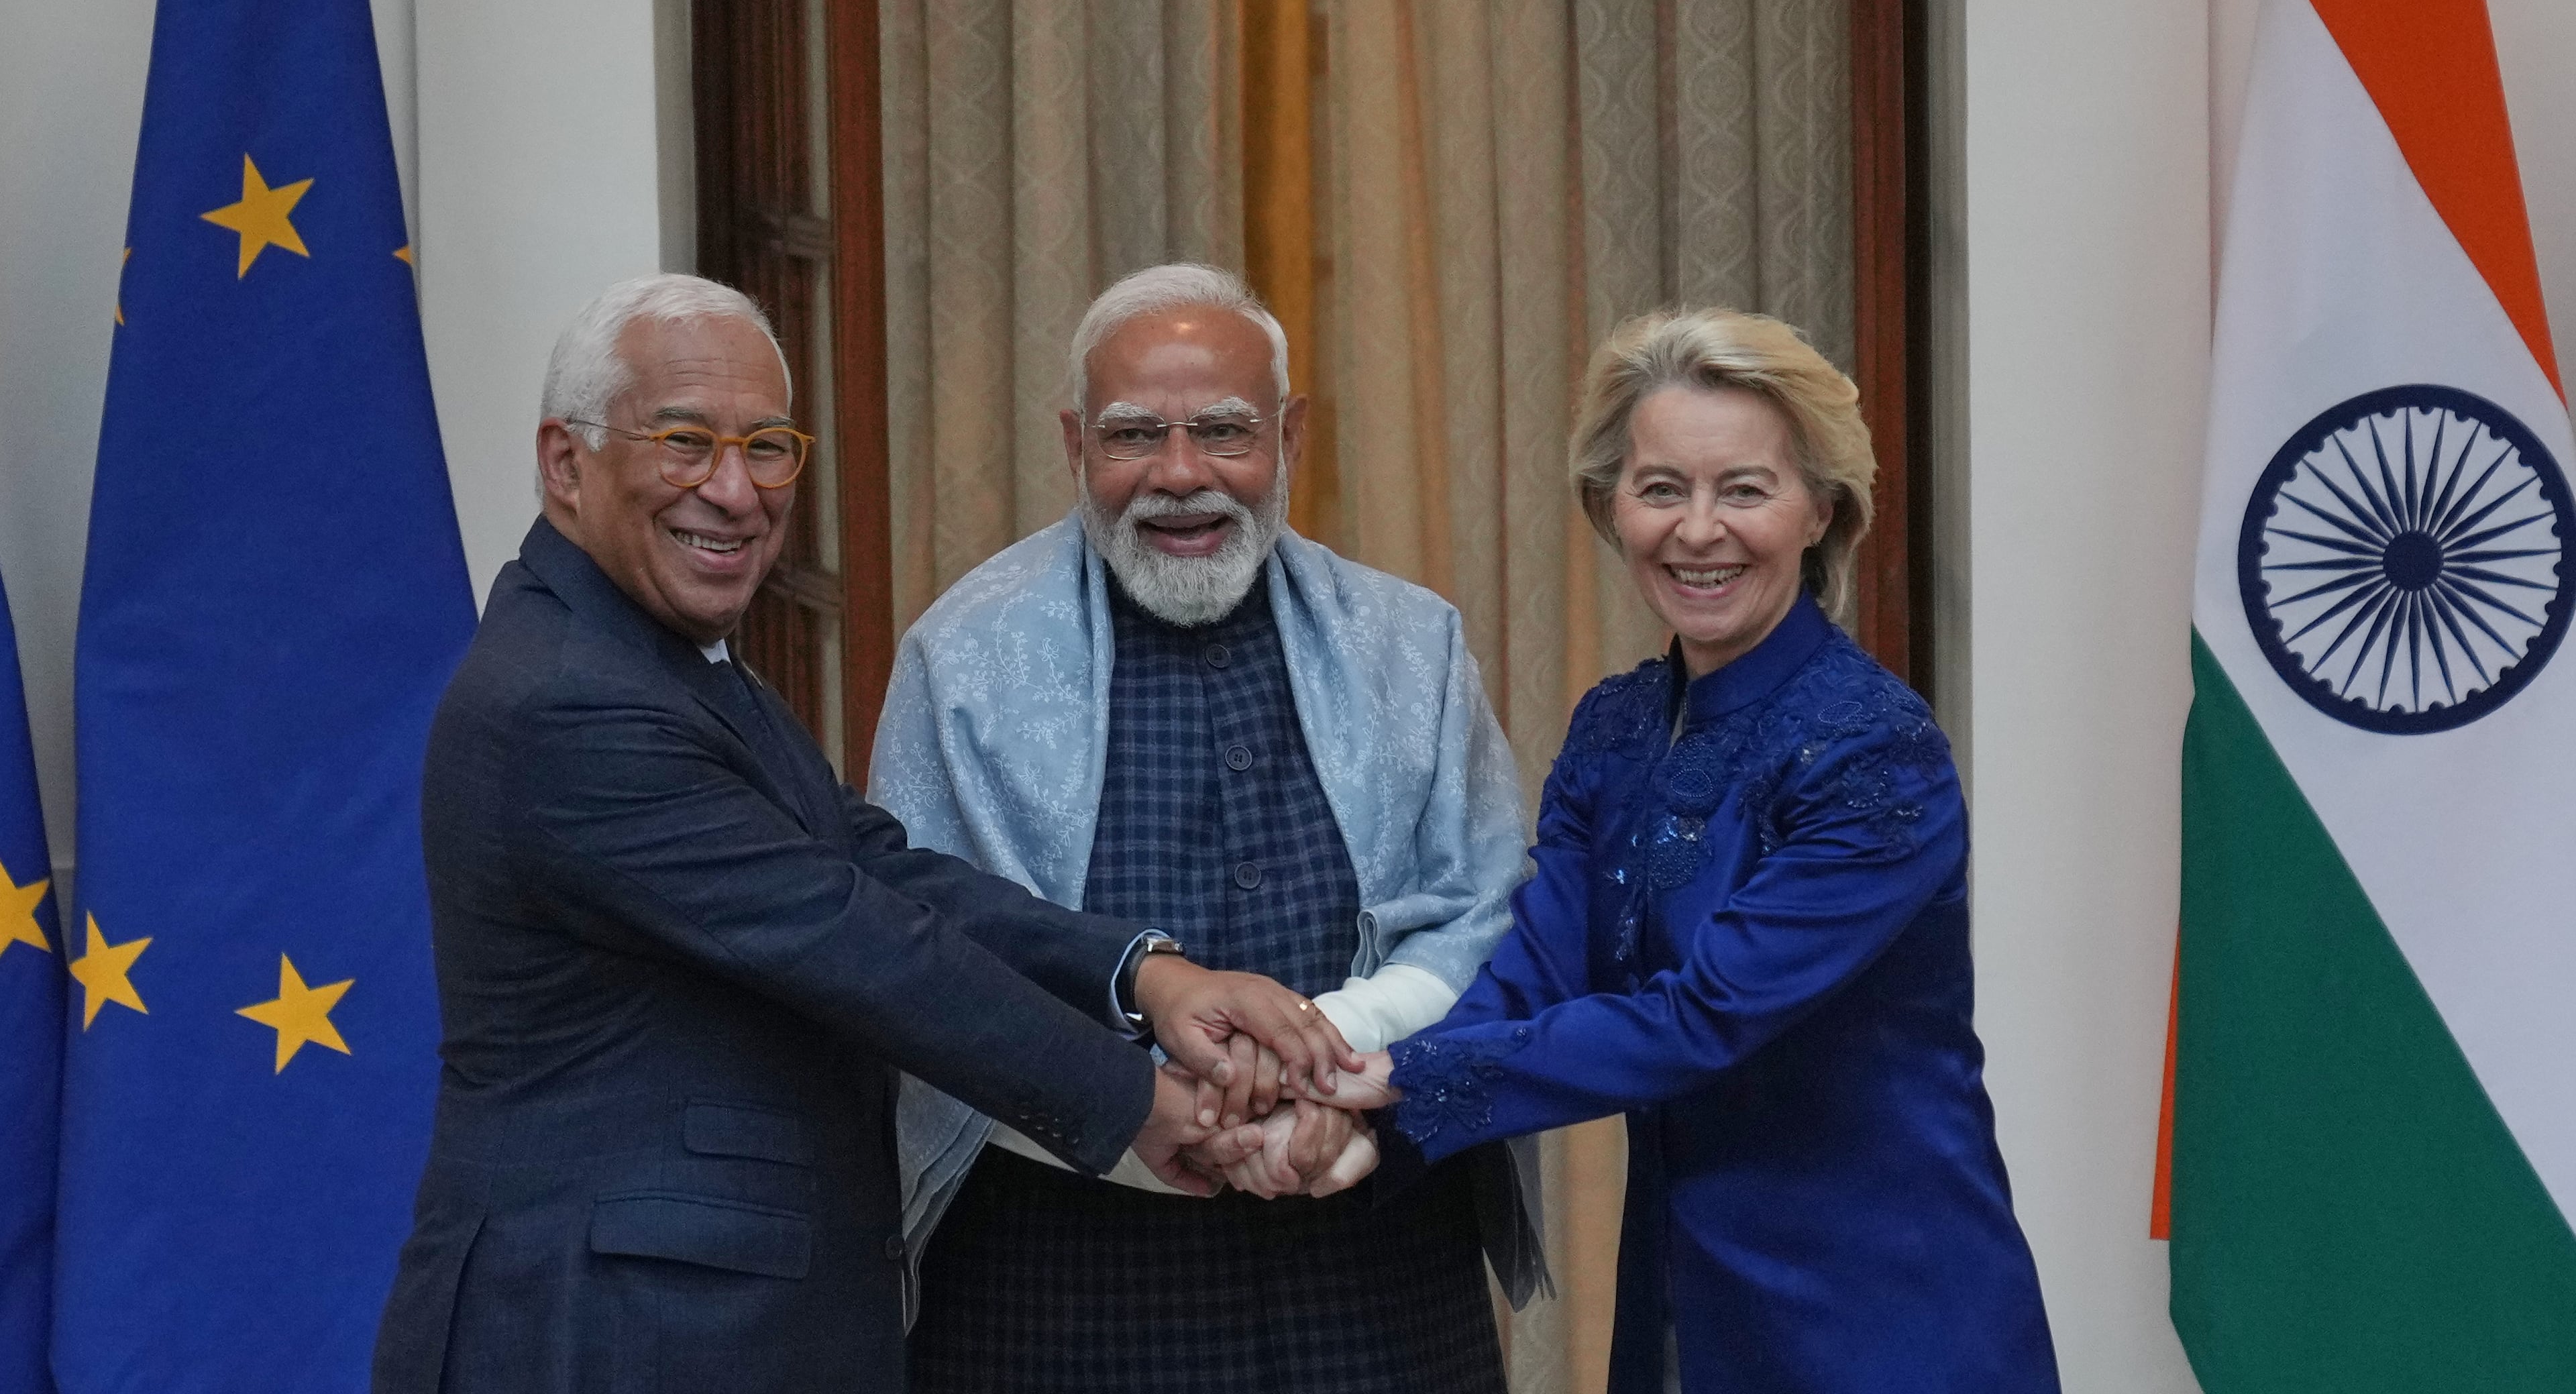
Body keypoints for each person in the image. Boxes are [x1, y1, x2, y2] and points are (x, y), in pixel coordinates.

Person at [370, 274, 1351, 1394]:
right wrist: (1137, 1101)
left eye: (769, 446)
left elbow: (873, 869)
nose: (735, 492)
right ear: (566, 463)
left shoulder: (650, 653)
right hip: (605, 1335)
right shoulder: (570, 699)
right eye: (685, 442)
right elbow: (858, 945)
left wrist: (1148, 976)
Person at [1317, 307, 2060, 1393]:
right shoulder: (1615, 728)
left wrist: (1391, 1081)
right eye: (1661, 489)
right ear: (1610, 510)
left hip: (1885, 1314)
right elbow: (1535, 971)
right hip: (1683, 1294)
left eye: (1744, 490)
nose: (1697, 531)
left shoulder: (1875, 750)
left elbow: (1703, 1018)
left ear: (1821, 512)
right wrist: (1357, 1104)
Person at [873, 263, 1543, 1393]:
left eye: (1225, 432)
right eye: (1135, 436)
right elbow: (925, 963)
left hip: (1371, 1270)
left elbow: (1490, 916)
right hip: (1061, 1287)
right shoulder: (965, 660)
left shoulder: (1408, 644)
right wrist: (1142, 1111)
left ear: (1289, 437)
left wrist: (1333, 1072)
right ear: (1073, 445)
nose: (1181, 477)